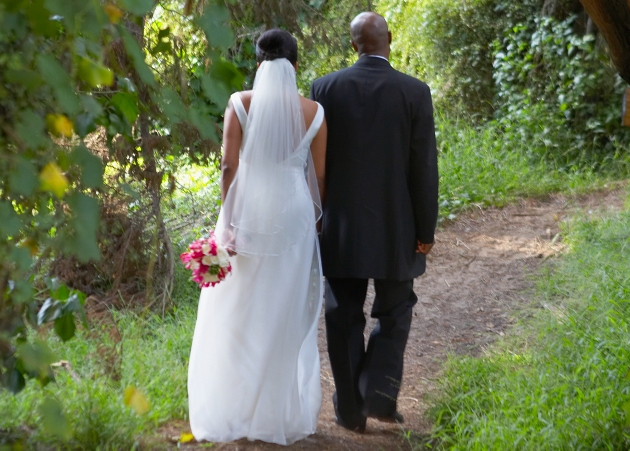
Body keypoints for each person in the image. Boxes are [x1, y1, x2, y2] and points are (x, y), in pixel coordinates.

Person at [187, 29, 327, 446]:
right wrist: (313, 220)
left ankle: (232, 406)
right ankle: (276, 413)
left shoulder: (239, 103)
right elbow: (318, 176)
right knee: (283, 310)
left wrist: (226, 222)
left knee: (236, 311)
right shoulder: (315, 112)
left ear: (259, 62)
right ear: (296, 64)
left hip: (246, 214)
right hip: (294, 217)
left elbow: (228, 167)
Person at [310, 12, 438, 432]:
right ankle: (379, 397)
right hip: (396, 227)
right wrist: (425, 230)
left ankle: (350, 411)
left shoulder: (324, 89)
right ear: (390, 40)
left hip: (341, 227)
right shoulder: (414, 92)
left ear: (353, 46)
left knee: (342, 315)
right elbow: (423, 168)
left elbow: (314, 165)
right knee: (396, 310)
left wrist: (317, 218)